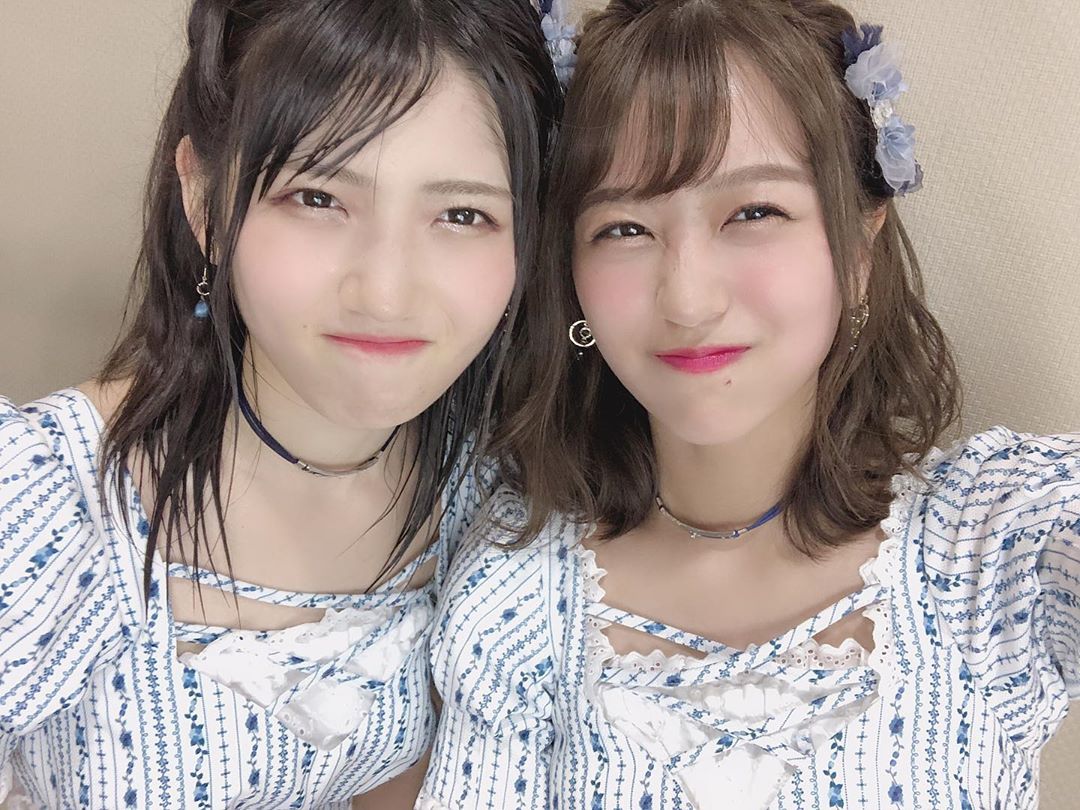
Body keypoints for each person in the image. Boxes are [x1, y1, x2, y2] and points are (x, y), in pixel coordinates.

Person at [420, 1, 1080, 807]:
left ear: (859, 249)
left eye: (755, 212)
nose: (688, 299)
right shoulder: (513, 594)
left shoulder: (997, 548)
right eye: (624, 229)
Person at [0, 0, 560, 806]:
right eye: (318, 198)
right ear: (204, 201)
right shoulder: (47, 500)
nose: (386, 292)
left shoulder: (481, 491)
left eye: (462, 214)